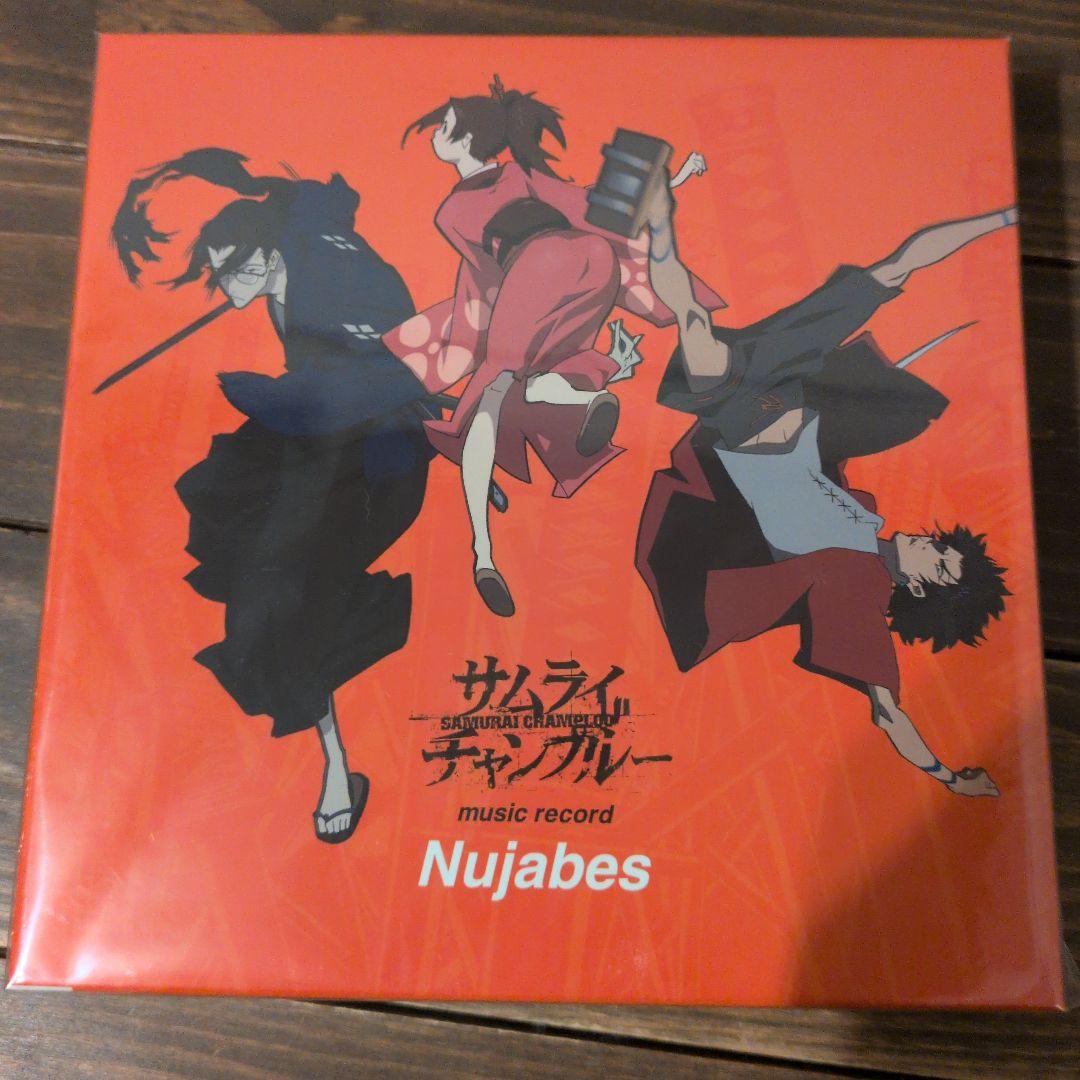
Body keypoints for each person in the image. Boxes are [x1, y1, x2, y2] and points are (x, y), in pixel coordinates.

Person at [635, 177, 1013, 796]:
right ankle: (1004, 215)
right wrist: (1010, 219)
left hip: (742, 417)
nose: (933, 544)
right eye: (947, 546)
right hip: (792, 392)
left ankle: (659, 220)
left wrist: (949, 778)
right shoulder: (866, 517)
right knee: (890, 272)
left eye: (941, 562)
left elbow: (887, 710)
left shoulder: (858, 585)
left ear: (920, 587)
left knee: (694, 324)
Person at [112, 149, 436, 842]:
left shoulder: (341, 286)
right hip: (307, 454)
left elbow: (396, 372)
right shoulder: (290, 246)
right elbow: (316, 201)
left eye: (232, 270)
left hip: (376, 460)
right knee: (261, 591)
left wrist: (273, 396)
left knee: (290, 602)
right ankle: (332, 754)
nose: (226, 288)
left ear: (264, 256)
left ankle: (334, 765)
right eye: (218, 273)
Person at [387, 76, 722, 617]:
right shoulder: (521, 175)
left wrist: (459, 346)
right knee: (501, 395)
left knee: (485, 402)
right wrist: (671, 181)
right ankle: (572, 406)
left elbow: (485, 279)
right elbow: (593, 206)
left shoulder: (453, 210)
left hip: (537, 270)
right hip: (594, 265)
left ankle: (484, 550)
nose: (434, 134)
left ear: (467, 139)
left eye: (444, 126)